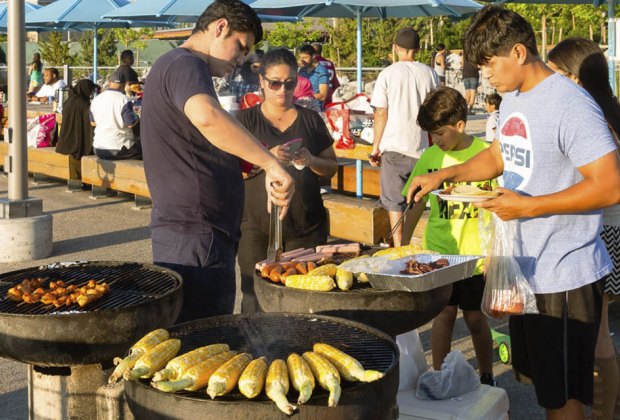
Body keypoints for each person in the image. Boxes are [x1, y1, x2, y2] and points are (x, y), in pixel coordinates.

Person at [406, 6, 620, 419]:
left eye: (489, 65)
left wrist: (529, 206)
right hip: (527, 268)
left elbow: (610, 184)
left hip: (565, 273)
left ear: (519, 52)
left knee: (563, 396)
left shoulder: (570, 104)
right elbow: (500, 155)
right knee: (543, 387)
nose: (486, 76)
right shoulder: (514, 98)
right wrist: (445, 174)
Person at [140, 0, 294, 323]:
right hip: (196, 236)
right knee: (204, 342)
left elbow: (206, 136)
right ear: (220, 27)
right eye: (240, 46)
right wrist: (269, 163)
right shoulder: (185, 64)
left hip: (195, 234)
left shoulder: (174, 67)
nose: (241, 59)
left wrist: (251, 161)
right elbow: (208, 117)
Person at [401, 86, 495, 386]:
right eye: (431, 134)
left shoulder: (486, 156)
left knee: (475, 319)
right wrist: (401, 246)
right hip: (438, 254)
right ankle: (440, 375)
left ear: (460, 126)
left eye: (440, 133)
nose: (435, 140)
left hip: (476, 257)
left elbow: (498, 207)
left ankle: (487, 373)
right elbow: (414, 202)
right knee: (442, 316)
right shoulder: (430, 156)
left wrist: (494, 253)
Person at [548, 37, 620, 420]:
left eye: (556, 73)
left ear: (574, 77)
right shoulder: (609, 112)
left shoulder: (592, 119)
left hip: (605, 232)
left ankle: (605, 414)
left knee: (598, 339)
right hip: (611, 229)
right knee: (599, 337)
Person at [236, 48, 338, 313]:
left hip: (305, 226)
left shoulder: (310, 119)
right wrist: (264, 158)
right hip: (255, 227)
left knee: (303, 302)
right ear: (261, 81)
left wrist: (310, 160)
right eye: (275, 83)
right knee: (253, 296)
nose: (282, 90)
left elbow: (331, 168)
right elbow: (229, 170)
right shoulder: (244, 120)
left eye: (290, 83)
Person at [368, 27, 438, 247]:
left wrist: (375, 147)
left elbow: (381, 112)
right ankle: (407, 238)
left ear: (395, 48)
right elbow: (437, 109)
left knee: (393, 202)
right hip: (423, 147)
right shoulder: (430, 73)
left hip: (394, 147)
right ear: (418, 49)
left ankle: (400, 245)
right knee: (417, 198)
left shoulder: (387, 74)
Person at [90, 70, 141, 160]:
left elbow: (93, 123)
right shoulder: (124, 100)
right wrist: (138, 116)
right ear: (124, 84)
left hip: (98, 148)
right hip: (119, 148)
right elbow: (130, 124)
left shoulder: (96, 99)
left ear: (109, 82)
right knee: (147, 149)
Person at [55, 79, 97, 180]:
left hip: (65, 143)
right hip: (78, 143)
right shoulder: (84, 104)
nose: (91, 94)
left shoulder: (69, 101)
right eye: (91, 91)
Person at [298, 44, 329, 110]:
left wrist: (304, 95)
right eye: (301, 58)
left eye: (305, 57)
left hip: (314, 110)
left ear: (313, 56)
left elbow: (323, 96)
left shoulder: (322, 71)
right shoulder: (302, 70)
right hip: (300, 108)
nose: (302, 60)